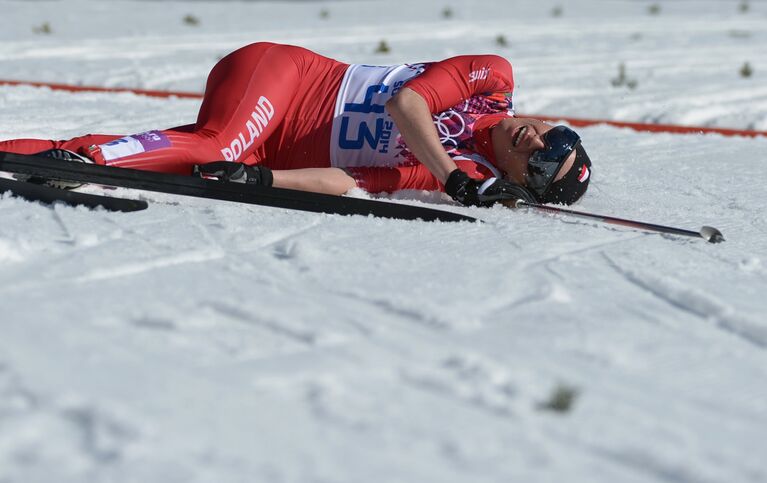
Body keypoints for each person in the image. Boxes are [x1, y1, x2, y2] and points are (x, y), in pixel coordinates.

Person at [0, 42, 591, 207]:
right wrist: (454, 179)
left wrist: (264, 184)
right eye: (555, 136)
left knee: (184, 156)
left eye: (543, 160)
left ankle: (53, 154)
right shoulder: (495, 80)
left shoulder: (459, 172)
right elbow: (408, 105)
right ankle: (82, 168)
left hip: (269, 148)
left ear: (522, 179)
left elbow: (353, 181)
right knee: (217, 141)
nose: (538, 140)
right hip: (283, 76)